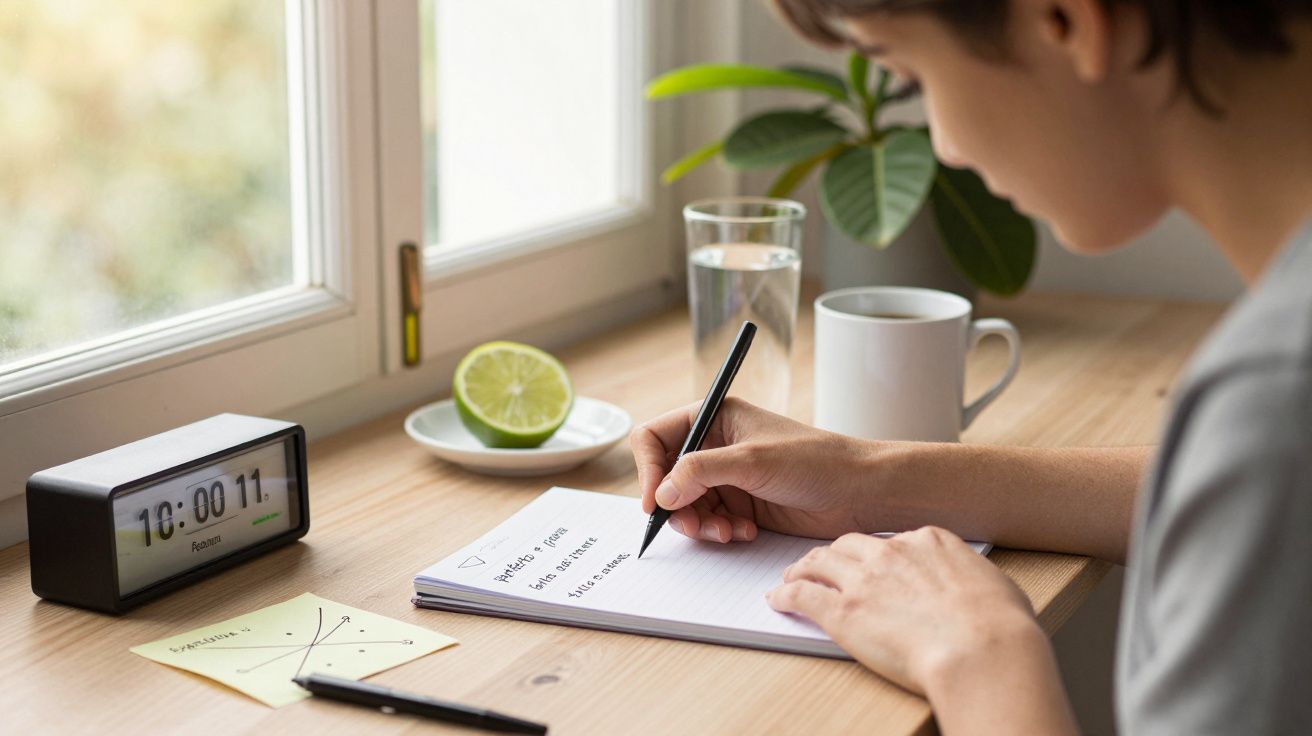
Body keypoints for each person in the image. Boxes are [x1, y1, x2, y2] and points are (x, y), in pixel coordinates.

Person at [631, 1, 1312, 732]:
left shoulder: (1275, 391)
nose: (945, 150)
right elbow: (1244, 492)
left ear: (1064, 21)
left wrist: (983, 655)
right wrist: (868, 477)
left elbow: (1267, 461)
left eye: (910, 75)